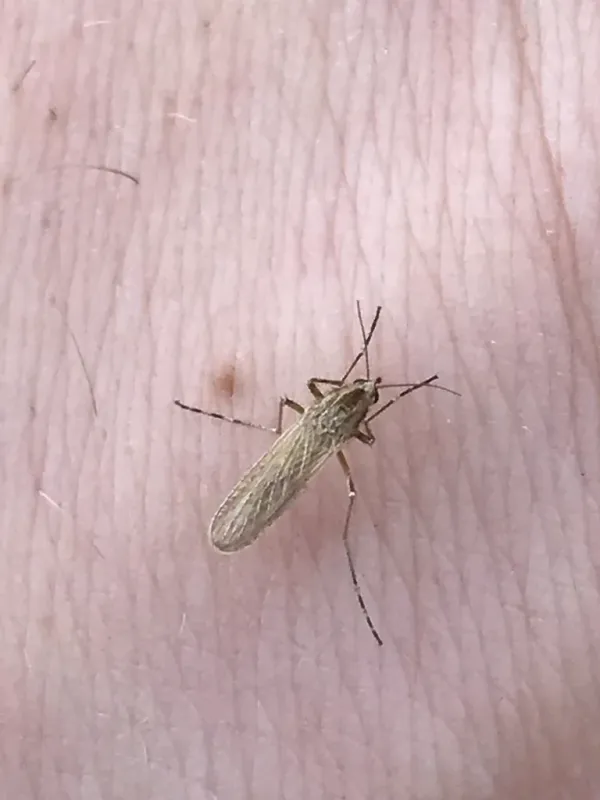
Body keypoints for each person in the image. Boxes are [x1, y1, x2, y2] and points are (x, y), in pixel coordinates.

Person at [2, 5, 598, 798]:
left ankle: (312, 527)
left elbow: (335, 401)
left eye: (363, 390)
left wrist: (355, 398)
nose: (363, 387)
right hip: (304, 442)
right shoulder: (339, 419)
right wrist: (355, 402)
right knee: (325, 466)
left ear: (348, 405)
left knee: (329, 472)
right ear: (349, 401)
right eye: (363, 384)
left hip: (307, 442)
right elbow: (340, 406)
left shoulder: (335, 417)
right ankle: (269, 490)